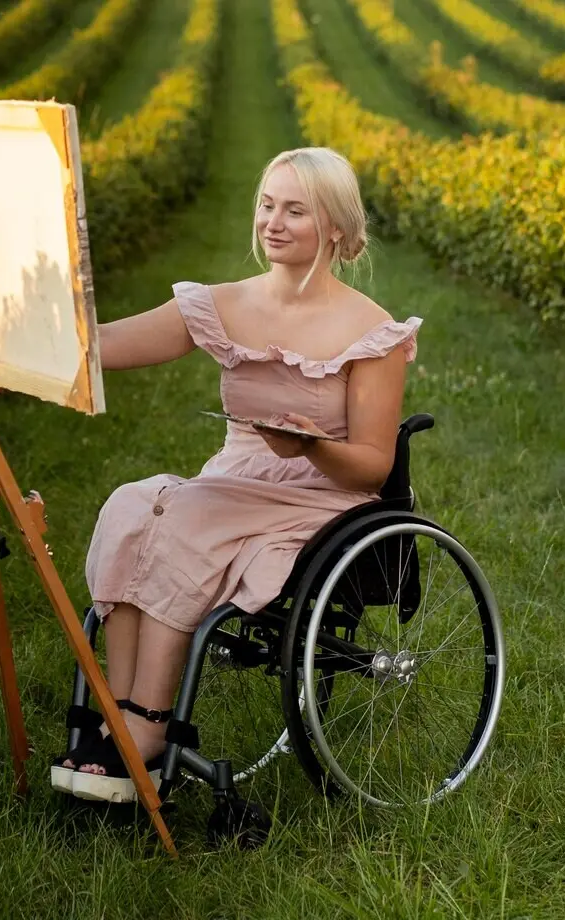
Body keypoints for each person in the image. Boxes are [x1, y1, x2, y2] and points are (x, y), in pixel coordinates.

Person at [52, 146, 422, 803]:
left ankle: (149, 730)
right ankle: (120, 711)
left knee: (190, 521)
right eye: (266, 204)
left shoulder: (372, 332)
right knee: (131, 507)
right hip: (234, 479)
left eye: (294, 211)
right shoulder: (224, 303)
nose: (272, 222)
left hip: (323, 494)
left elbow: (373, 463)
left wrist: (306, 447)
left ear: (334, 226)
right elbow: (103, 346)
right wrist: (38, 328)